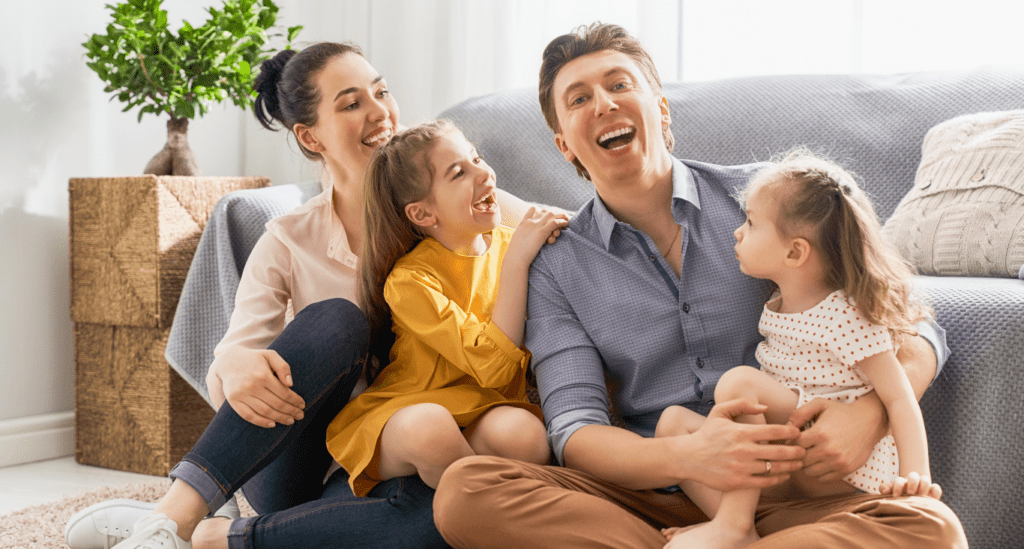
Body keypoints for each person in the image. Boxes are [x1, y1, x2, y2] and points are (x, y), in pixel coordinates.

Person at [432, 23, 967, 549]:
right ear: (564, 145)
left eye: (619, 84)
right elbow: (575, 431)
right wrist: (691, 457)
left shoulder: (768, 199)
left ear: (661, 109)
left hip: (797, 491)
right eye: (579, 99)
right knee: (466, 490)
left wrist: (869, 413)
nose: (604, 104)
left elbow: (915, 324)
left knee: (933, 528)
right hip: (650, 495)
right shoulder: (556, 264)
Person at [64, 42, 538, 549]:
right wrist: (235, 362)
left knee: (445, 519)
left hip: (416, 448)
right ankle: (174, 519)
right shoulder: (289, 240)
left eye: (381, 92)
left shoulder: (455, 202)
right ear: (311, 136)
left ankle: (216, 536)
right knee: (338, 321)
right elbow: (233, 365)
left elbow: (556, 231)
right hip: (303, 461)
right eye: (351, 103)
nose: (379, 112)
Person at [657, 149, 943, 549]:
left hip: (836, 465)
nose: (737, 233)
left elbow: (898, 397)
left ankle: (733, 524)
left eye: (751, 223)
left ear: (795, 252)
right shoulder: (779, 303)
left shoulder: (844, 314)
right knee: (672, 425)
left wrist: (916, 479)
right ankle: (741, 529)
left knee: (740, 384)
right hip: (789, 458)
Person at [326, 119, 565, 497]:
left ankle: (457, 488)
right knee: (432, 429)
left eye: (477, 158)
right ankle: (479, 507)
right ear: (423, 214)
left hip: (483, 407)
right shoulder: (408, 282)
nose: (483, 173)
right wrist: (517, 262)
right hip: (408, 412)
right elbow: (493, 365)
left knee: (526, 437)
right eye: (458, 173)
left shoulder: (513, 244)